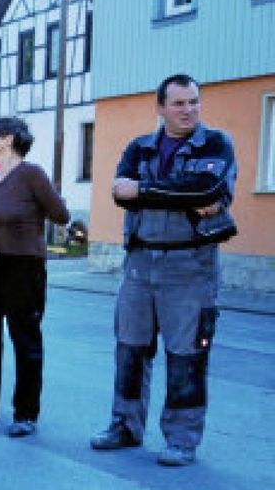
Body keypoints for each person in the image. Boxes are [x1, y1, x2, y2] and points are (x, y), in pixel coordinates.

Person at [90, 74, 237, 467]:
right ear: (160, 107)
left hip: (190, 266)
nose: (188, 110)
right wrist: (175, 193)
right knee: (130, 349)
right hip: (140, 265)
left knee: (187, 355)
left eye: (194, 102)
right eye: (179, 103)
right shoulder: (139, 147)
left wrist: (146, 191)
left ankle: (182, 440)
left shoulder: (217, 144)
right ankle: (125, 426)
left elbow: (206, 189)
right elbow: (121, 193)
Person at [0, 117, 69, 437]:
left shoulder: (31, 174)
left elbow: (60, 214)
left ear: (8, 140)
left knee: (24, 337)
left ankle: (25, 413)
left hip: (22, 265)